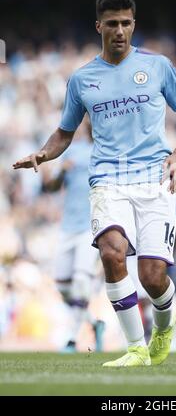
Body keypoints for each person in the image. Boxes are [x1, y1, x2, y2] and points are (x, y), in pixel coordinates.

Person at [13, 0, 176, 367]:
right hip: (107, 180)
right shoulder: (82, 80)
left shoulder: (159, 66)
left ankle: (164, 324)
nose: (119, 31)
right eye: (112, 23)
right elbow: (65, 132)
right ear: (98, 26)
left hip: (154, 179)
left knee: (152, 277)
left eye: (126, 23)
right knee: (112, 254)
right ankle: (135, 348)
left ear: (134, 25)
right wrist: (43, 154)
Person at [41, 120, 105, 352]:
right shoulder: (73, 150)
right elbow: (53, 187)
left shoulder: (108, 151)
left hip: (92, 225)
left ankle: (71, 338)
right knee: (62, 285)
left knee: (80, 281)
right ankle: (93, 323)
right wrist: (58, 172)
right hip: (68, 225)